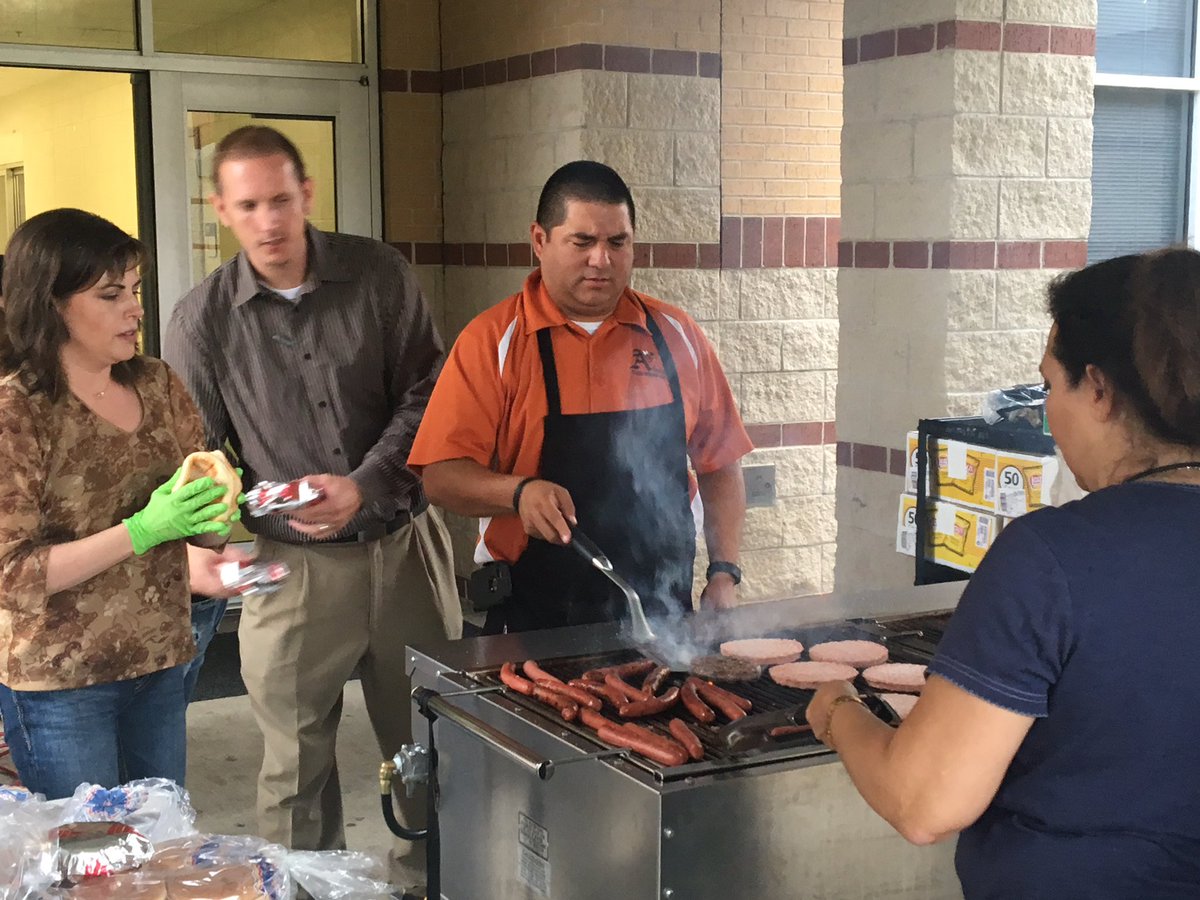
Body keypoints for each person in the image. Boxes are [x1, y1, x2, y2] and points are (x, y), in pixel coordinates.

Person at [805, 248, 1200, 898]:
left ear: (1098, 389)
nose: (1046, 412)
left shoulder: (1054, 558)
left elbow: (924, 802)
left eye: (1051, 386)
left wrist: (841, 712)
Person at [163, 126, 461, 858]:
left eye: (280, 200)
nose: (268, 220)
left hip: (404, 553)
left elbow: (430, 395)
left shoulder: (379, 275)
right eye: (248, 204)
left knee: (434, 747)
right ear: (222, 210)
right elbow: (195, 463)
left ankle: (429, 876)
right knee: (294, 772)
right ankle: (302, 884)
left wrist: (363, 487)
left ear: (307, 194)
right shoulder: (200, 323)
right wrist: (235, 522)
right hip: (289, 571)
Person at [409, 161, 752, 633]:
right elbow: (440, 478)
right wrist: (518, 492)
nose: (601, 260)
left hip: (663, 613)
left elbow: (721, 464)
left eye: (617, 242)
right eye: (583, 242)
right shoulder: (494, 342)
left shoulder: (677, 335)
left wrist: (724, 572)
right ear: (539, 240)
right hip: (533, 615)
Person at [0, 208, 245, 799]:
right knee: (92, 865)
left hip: (160, 661)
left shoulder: (156, 383)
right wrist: (142, 529)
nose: (136, 308)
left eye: (134, 290)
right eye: (112, 295)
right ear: (52, 304)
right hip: (60, 681)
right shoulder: (17, 412)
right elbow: (11, 575)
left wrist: (213, 514)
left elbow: (194, 522)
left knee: (160, 851)